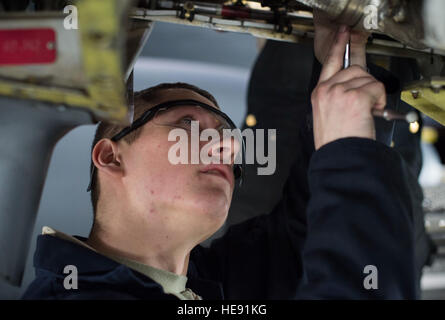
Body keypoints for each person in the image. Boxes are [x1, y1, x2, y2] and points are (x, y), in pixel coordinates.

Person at [23, 22, 418, 299]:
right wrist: (349, 152)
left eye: (226, 135)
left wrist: (344, 62)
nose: (228, 147)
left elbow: (303, 231)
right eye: (188, 125)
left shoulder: (211, 286)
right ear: (110, 156)